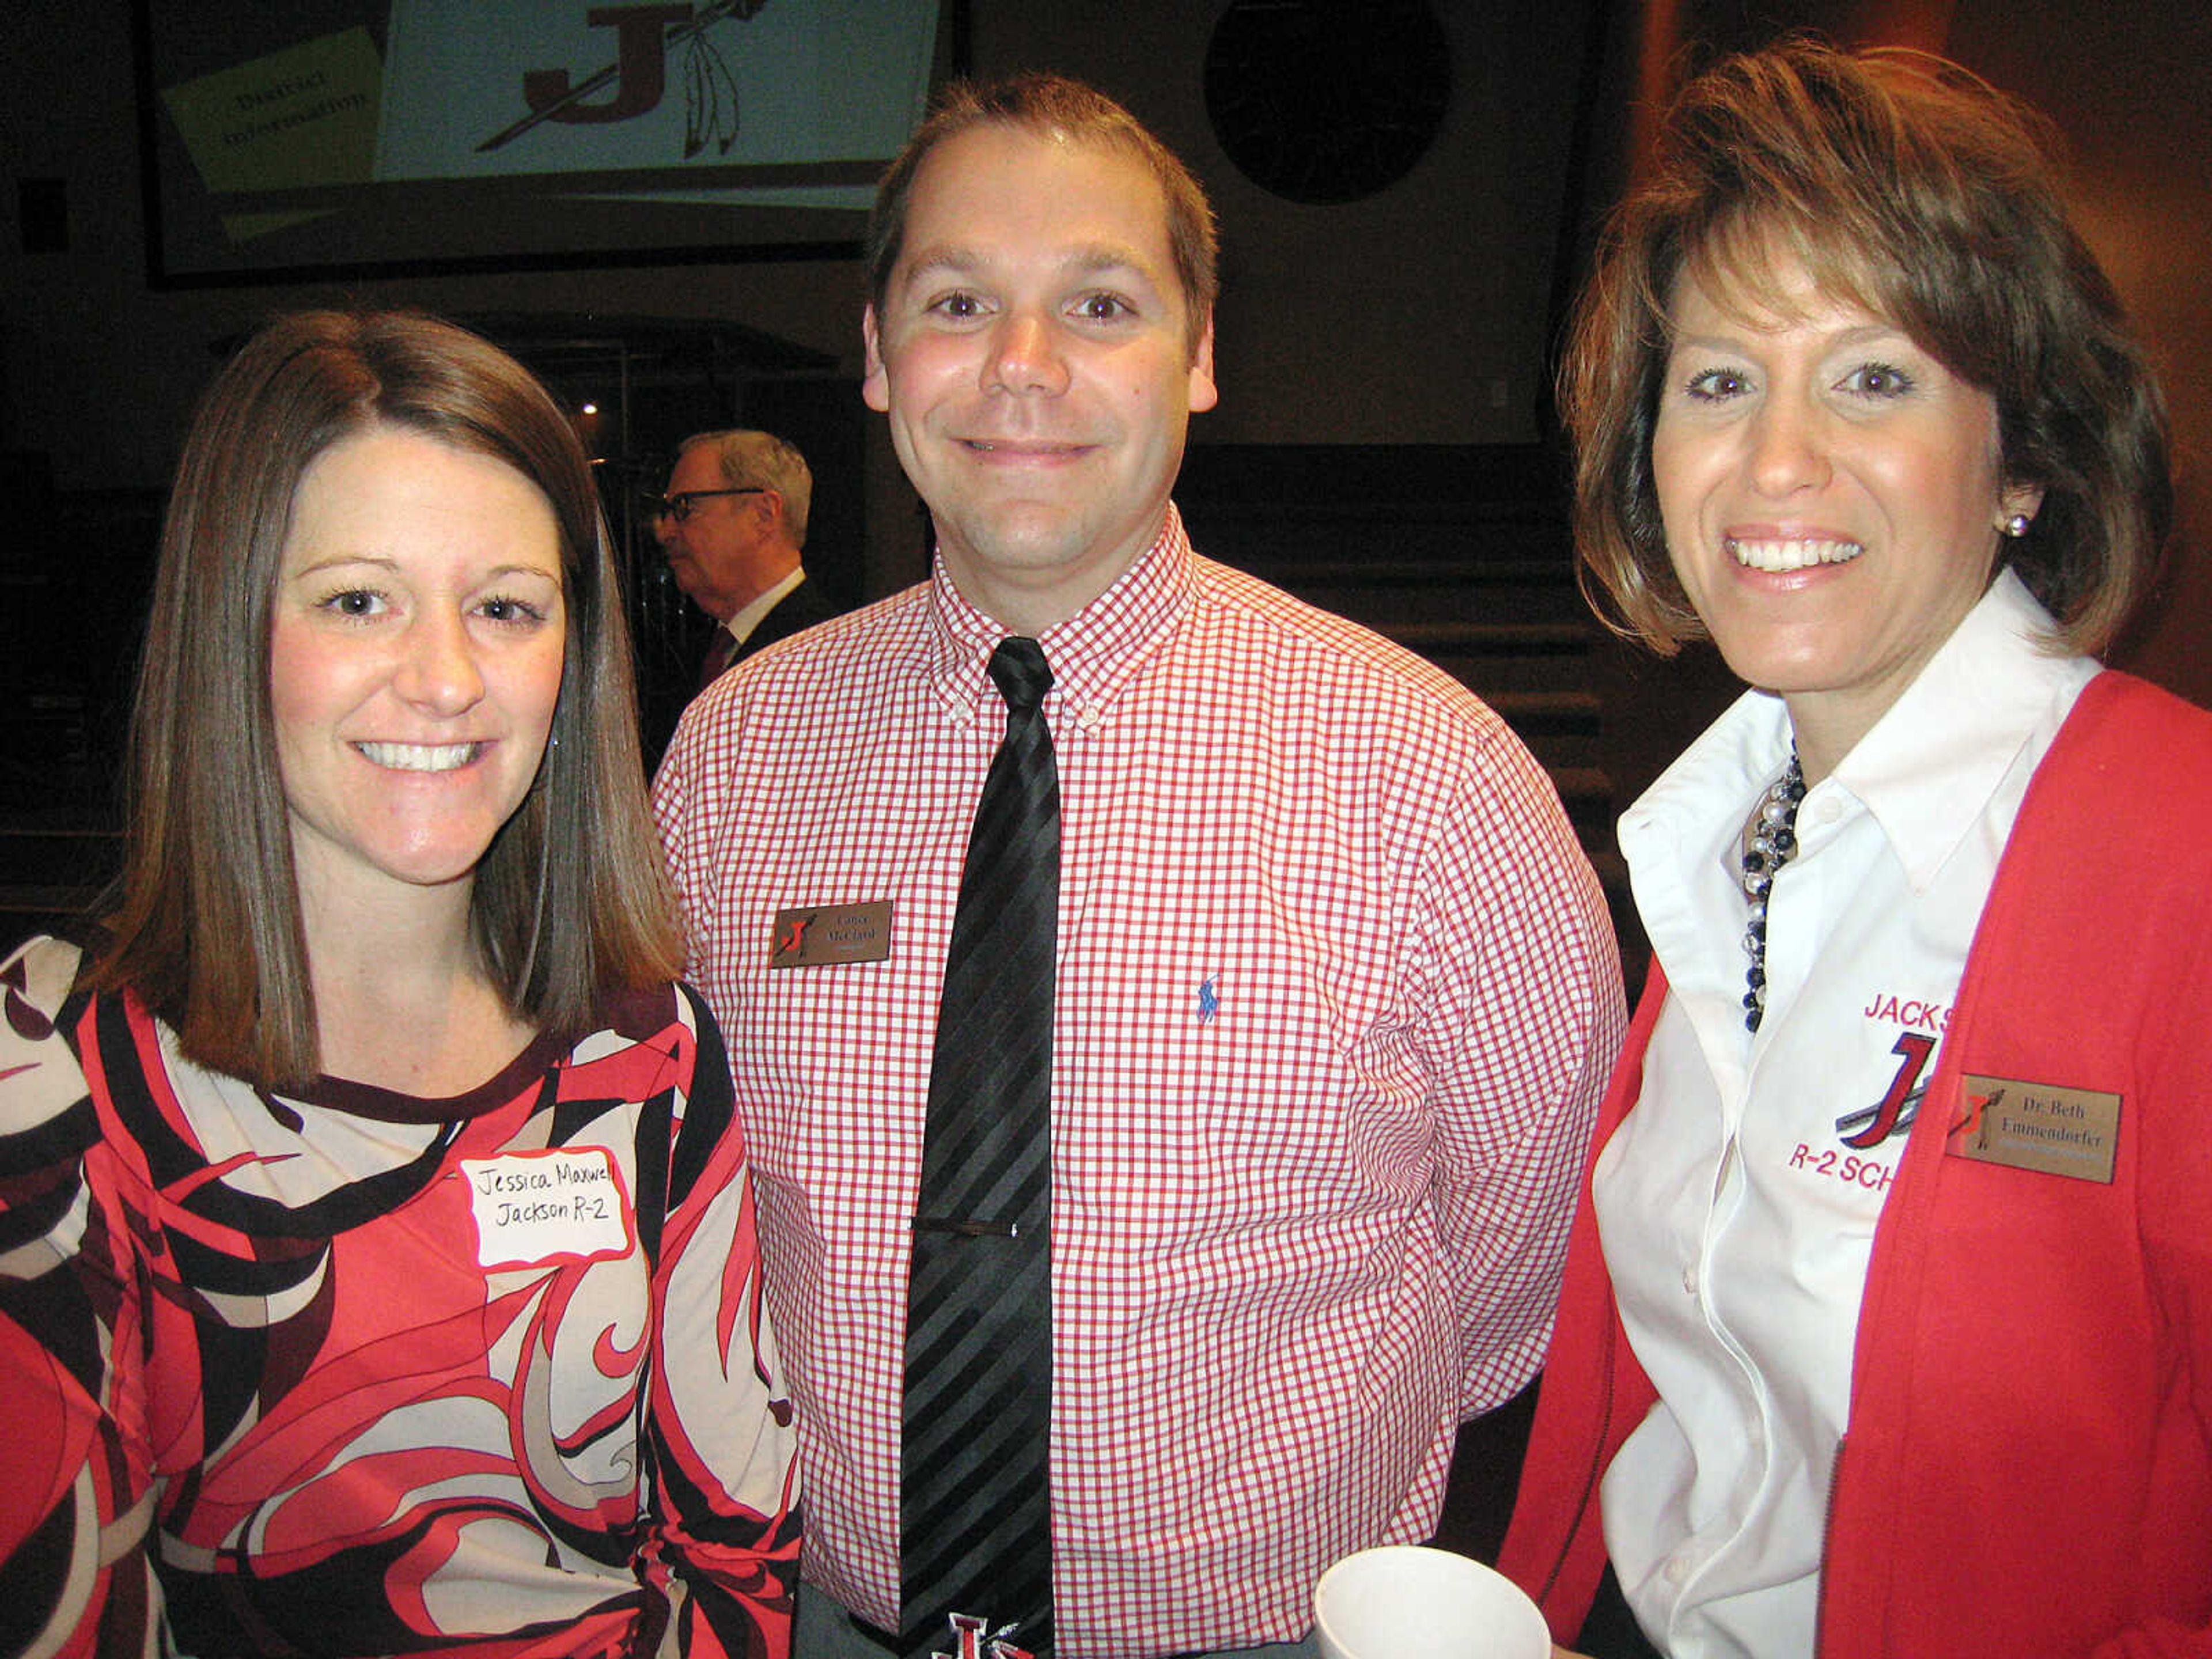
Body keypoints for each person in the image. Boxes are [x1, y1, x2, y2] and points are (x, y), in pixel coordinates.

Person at [655, 73, 1624, 1659]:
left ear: (1203, 353)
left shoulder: (1430, 779)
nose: (1023, 369)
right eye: (960, 300)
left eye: (1100, 302)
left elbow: (1528, 1268)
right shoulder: (735, 754)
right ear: (882, 357)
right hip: (818, 1616)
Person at [1494, 39, 2212, 1658]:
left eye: (1874, 377)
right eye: (1721, 381)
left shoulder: (2185, 864)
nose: (1777, 464)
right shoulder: (1714, 841)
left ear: (2024, 459)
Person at [0, 311, 801, 1657]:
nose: (444, 679)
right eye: (357, 598)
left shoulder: (642, 1048)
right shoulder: (57, 1067)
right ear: (232, 626)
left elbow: (735, 1542)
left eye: (504, 606)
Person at [656, 428, 840, 689]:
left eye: (685, 508)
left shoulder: (823, 657)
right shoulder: (688, 656)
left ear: (763, 515)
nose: (666, 532)